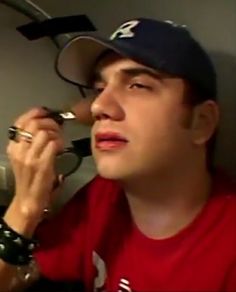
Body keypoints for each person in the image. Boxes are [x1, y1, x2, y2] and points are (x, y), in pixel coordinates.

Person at [0, 17, 236, 292]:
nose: (99, 105)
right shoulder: (102, 196)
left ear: (201, 122)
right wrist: (25, 208)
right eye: (99, 89)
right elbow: (18, 275)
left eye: (137, 85)